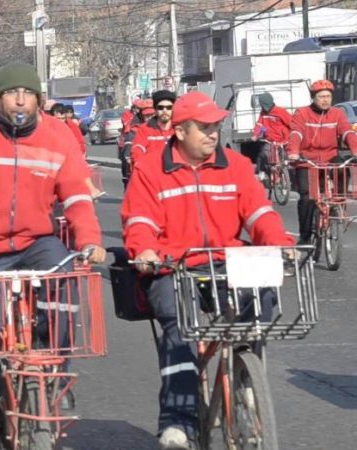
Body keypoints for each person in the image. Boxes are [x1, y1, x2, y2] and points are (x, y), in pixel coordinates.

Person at [0, 63, 106, 450]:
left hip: (35, 243)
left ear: (40, 99)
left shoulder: (58, 137)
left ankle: (56, 374)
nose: (21, 99)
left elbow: (77, 196)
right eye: (12, 93)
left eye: (29, 93)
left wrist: (90, 241)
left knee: (67, 283)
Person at [121, 91, 294, 450]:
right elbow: (139, 220)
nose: (213, 133)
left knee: (261, 302)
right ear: (181, 131)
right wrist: (145, 249)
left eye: (216, 126)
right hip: (173, 265)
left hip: (227, 260)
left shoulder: (236, 164)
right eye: (204, 127)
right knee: (179, 327)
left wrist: (277, 241)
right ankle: (176, 422)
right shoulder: (151, 168)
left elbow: (259, 212)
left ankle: (246, 376)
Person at [288, 79, 357, 245]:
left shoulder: (337, 114)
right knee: (307, 198)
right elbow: (296, 133)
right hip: (307, 160)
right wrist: (294, 152)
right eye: (321, 96)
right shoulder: (302, 113)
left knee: (343, 166)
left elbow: (347, 132)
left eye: (328, 96)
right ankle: (305, 237)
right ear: (313, 98)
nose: (325, 100)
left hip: (329, 157)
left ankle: (336, 202)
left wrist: (355, 149)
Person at [251, 92, 292, 182]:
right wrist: (255, 134)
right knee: (264, 154)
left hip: (283, 140)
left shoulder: (281, 111)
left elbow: (291, 123)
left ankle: (286, 176)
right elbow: (259, 124)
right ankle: (265, 174)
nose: (266, 109)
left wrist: (294, 135)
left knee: (286, 158)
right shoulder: (263, 113)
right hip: (270, 141)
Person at [130, 90, 176, 167]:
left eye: (169, 107)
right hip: (152, 173)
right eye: (161, 107)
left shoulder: (179, 128)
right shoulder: (144, 129)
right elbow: (137, 149)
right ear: (155, 109)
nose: (165, 110)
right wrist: (140, 164)